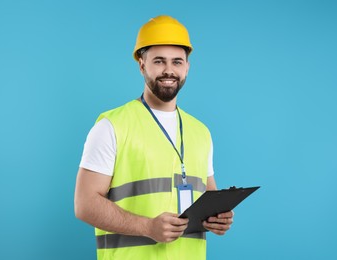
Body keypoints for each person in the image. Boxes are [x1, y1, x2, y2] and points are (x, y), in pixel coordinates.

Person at [74, 15, 234, 260]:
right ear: (141, 64)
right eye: (159, 61)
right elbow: (85, 205)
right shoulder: (112, 126)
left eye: (177, 62)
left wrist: (218, 220)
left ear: (187, 66)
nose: (169, 70)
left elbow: (209, 198)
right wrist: (147, 227)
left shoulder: (200, 132)